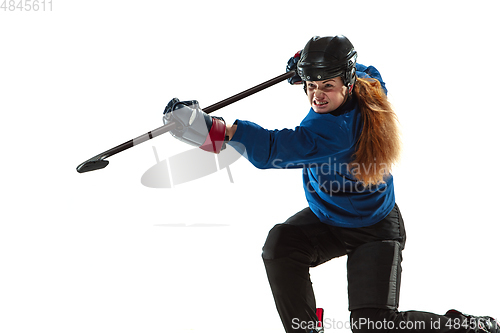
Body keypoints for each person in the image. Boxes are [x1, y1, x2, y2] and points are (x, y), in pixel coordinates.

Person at [162, 35, 499, 333]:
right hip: (330, 218)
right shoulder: (369, 83)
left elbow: (271, 150)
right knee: (280, 248)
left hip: (375, 230)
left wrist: (216, 131)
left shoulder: (332, 133)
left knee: (374, 326)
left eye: (326, 86)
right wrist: (310, 66)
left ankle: (467, 328)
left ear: (347, 83)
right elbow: (366, 67)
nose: (316, 95)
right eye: (311, 85)